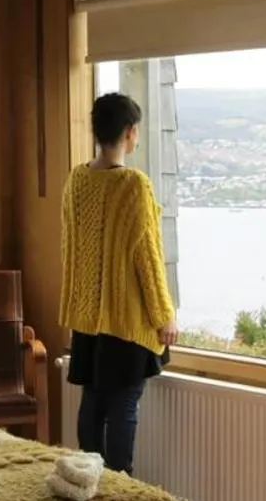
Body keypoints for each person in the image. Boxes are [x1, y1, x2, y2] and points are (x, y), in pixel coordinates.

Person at [59, 91, 177, 475]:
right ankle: (121, 485)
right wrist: (164, 315)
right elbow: (148, 258)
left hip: (87, 319)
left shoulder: (77, 180)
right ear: (129, 132)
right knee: (125, 403)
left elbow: (71, 249)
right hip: (125, 320)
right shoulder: (133, 185)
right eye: (136, 130)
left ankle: (88, 481)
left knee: (92, 401)